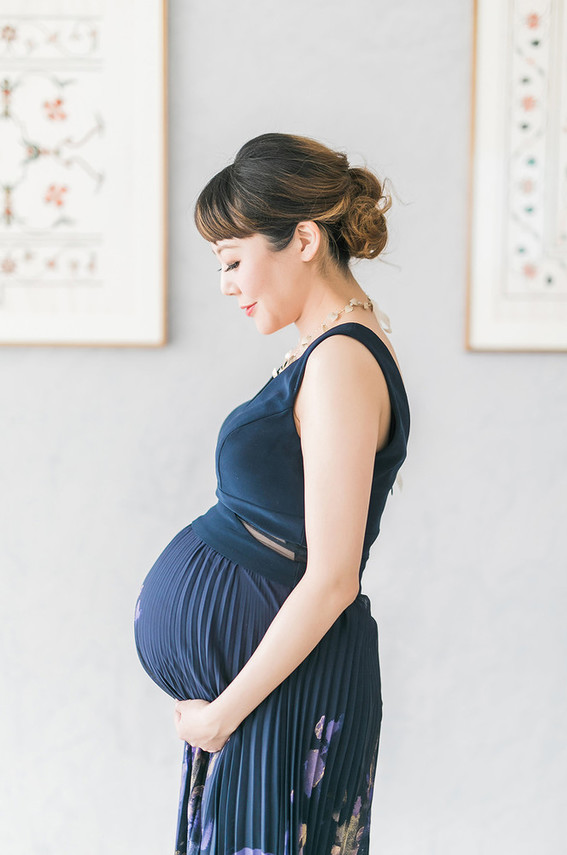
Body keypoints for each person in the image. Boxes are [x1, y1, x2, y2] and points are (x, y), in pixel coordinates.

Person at [134, 132, 411, 855]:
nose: (226, 283)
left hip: (279, 697)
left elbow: (332, 577)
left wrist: (221, 714)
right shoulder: (323, 351)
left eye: (232, 260)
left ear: (305, 239)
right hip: (266, 694)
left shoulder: (343, 360)